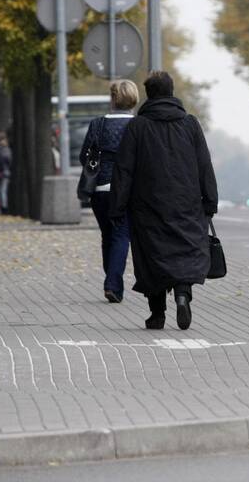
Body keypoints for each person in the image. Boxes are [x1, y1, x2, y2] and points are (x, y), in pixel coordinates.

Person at [110, 71, 218, 330]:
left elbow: (124, 169)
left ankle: (157, 313)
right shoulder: (190, 124)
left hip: (147, 205)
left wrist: (117, 206)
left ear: (149, 94)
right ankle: (183, 294)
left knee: (152, 257)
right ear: (171, 92)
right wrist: (210, 200)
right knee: (184, 251)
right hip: (187, 203)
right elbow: (204, 164)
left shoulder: (138, 127)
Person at [81, 81, 139, 303]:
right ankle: (113, 284)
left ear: (113, 99)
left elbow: (84, 156)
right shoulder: (139, 125)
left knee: (108, 235)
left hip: (100, 190)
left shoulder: (98, 124)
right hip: (127, 191)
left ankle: (112, 281)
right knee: (122, 235)